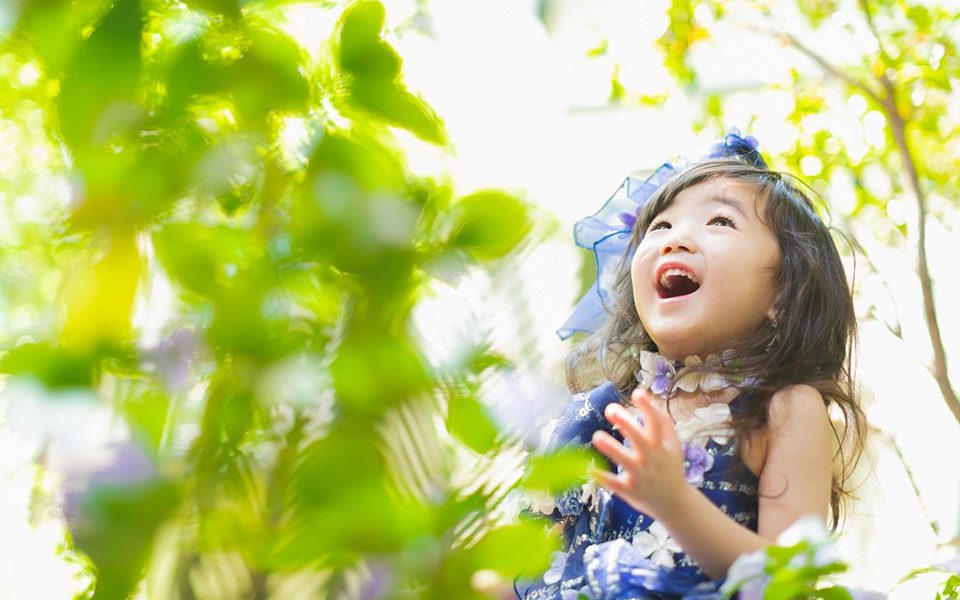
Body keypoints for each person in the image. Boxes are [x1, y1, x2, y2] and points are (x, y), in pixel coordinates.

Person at [514, 129, 867, 599]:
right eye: (659, 226)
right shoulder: (596, 414)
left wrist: (675, 503)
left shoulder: (781, 409)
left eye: (720, 221)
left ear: (783, 293)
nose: (675, 238)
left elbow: (790, 580)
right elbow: (520, 567)